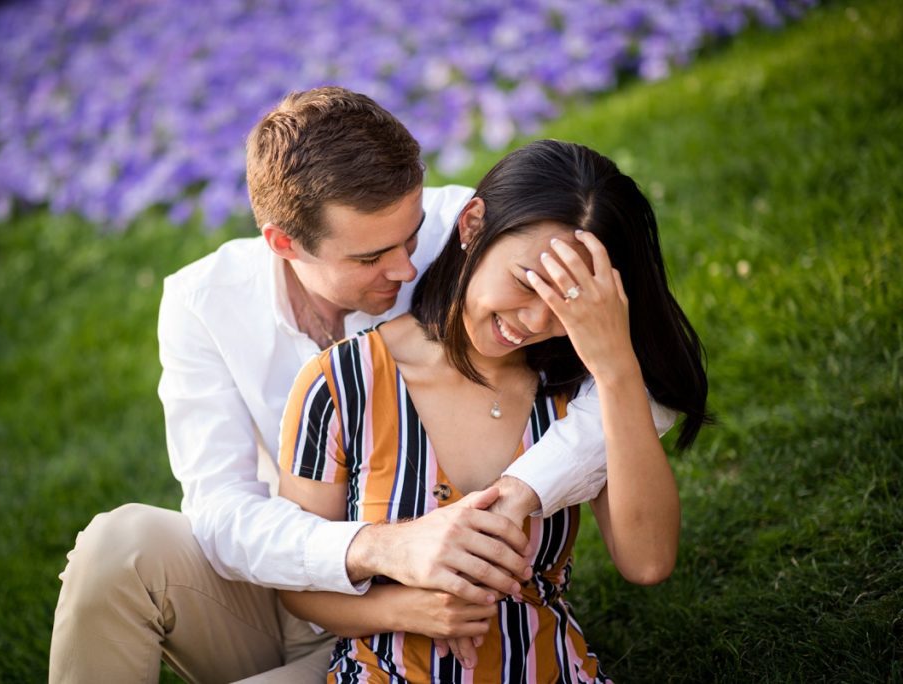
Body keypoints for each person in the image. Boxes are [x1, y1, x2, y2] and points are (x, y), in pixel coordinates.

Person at [48, 89, 661, 683]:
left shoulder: (467, 230)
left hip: (428, 629)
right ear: (285, 245)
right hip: (287, 593)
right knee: (117, 546)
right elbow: (220, 515)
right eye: (370, 259)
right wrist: (383, 549)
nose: (404, 268)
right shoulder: (202, 303)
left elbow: (637, 375)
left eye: (411, 238)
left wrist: (519, 491)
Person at [277, 139, 709, 683]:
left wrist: (616, 365)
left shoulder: (576, 392)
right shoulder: (340, 384)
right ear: (472, 225)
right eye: (526, 282)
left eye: (567, 300)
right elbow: (299, 583)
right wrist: (408, 610)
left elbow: (646, 561)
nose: (534, 319)